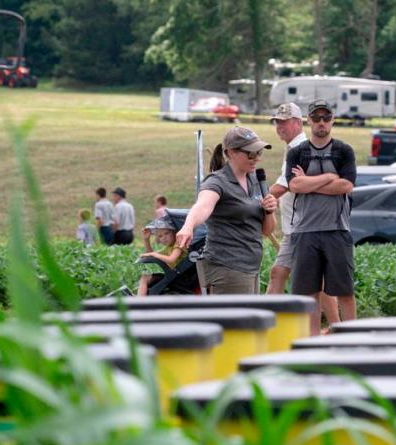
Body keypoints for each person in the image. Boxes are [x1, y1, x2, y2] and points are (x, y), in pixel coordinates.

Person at [285, 100, 358, 336]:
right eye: (316, 118)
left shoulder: (343, 150)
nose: (321, 123)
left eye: (326, 118)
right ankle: (312, 341)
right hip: (304, 231)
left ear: (333, 120)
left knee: (345, 291)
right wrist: (328, 176)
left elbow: (346, 185)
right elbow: (294, 185)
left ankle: (351, 340)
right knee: (308, 292)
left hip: (337, 229)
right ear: (308, 121)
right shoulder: (298, 152)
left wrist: (310, 183)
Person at [175, 126, 278, 294]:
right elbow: (202, 206)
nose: (256, 158)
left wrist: (270, 210)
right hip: (227, 267)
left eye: (259, 152)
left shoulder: (256, 180)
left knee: (248, 320)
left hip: (251, 267)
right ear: (230, 153)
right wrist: (188, 226)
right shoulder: (217, 182)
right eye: (250, 153)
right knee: (233, 320)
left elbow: (266, 230)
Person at [265, 102, 340, 327]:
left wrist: (257, 199)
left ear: (298, 123)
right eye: (277, 122)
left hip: (306, 229)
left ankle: (333, 328)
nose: (280, 127)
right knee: (278, 274)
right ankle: (266, 325)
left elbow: (285, 185)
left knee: (312, 283)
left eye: (284, 122)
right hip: (294, 229)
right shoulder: (293, 149)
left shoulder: (302, 150)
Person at [137, 216, 185, 296]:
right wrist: (146, 239)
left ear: (174, 232)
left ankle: (139, 304)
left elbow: (171, 259)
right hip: (174, 275)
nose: (164, 238)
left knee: (146, 279)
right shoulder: (168, 248)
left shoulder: (179, 244)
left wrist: (154, 254)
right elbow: (151, 255)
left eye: (166, 233)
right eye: (160, 236)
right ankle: (139, 301)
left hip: (180, 277)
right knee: (144, 278)